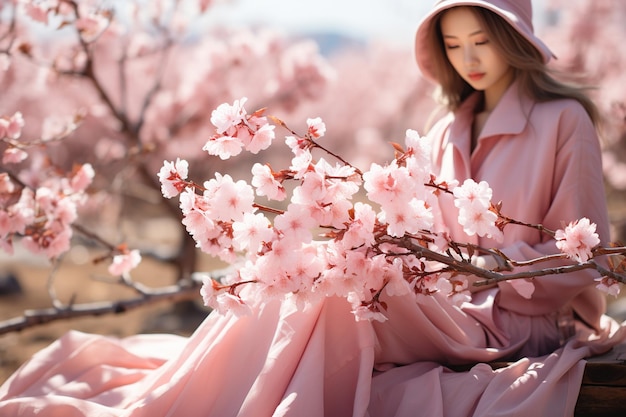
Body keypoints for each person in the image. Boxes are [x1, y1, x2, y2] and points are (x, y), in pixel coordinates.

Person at [1, 0, 625, 416]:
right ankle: (193, 398)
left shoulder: (561, 121)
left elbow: (580, 259)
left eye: (482, 40)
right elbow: (425, 234)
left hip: (515, 321)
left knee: (331, 287)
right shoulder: (442, 130)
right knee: (318, 270)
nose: (469, 57)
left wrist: (477, 269)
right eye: (456, 44)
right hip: (441, 303)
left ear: (513, 39)